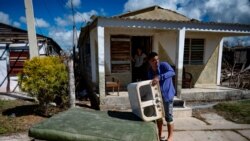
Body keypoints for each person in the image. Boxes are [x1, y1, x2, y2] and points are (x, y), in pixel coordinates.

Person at [147, 52, 175, 141]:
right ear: (149, 62)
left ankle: (170, 137)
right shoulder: (150, 72)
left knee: (168, 117)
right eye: (153, 60)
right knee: (158, 116)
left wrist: (159, 77)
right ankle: (159, 135)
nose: (156, 62)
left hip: (168, 95)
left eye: (157, 59)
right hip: (158, 97)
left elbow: (172, 72)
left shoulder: (164, 65)